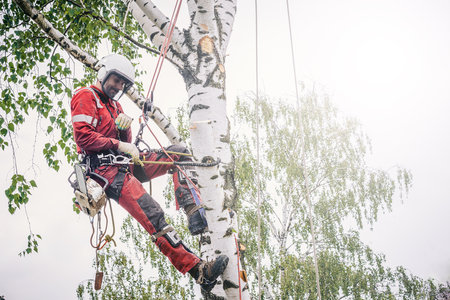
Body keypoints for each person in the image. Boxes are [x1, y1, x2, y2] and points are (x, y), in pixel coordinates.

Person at [70, 53, 228, 292]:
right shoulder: (86, 96)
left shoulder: (115, 106)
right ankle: (199, 271)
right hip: (107, 172)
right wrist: (119, 144)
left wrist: (124, 132)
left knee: (179, 153)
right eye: (116, 80)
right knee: (153, 215)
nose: (118, 87)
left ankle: (194, 211)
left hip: (125, 162)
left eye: (123, 84)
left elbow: (127, 144)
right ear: (104, 75)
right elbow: (82, 136)